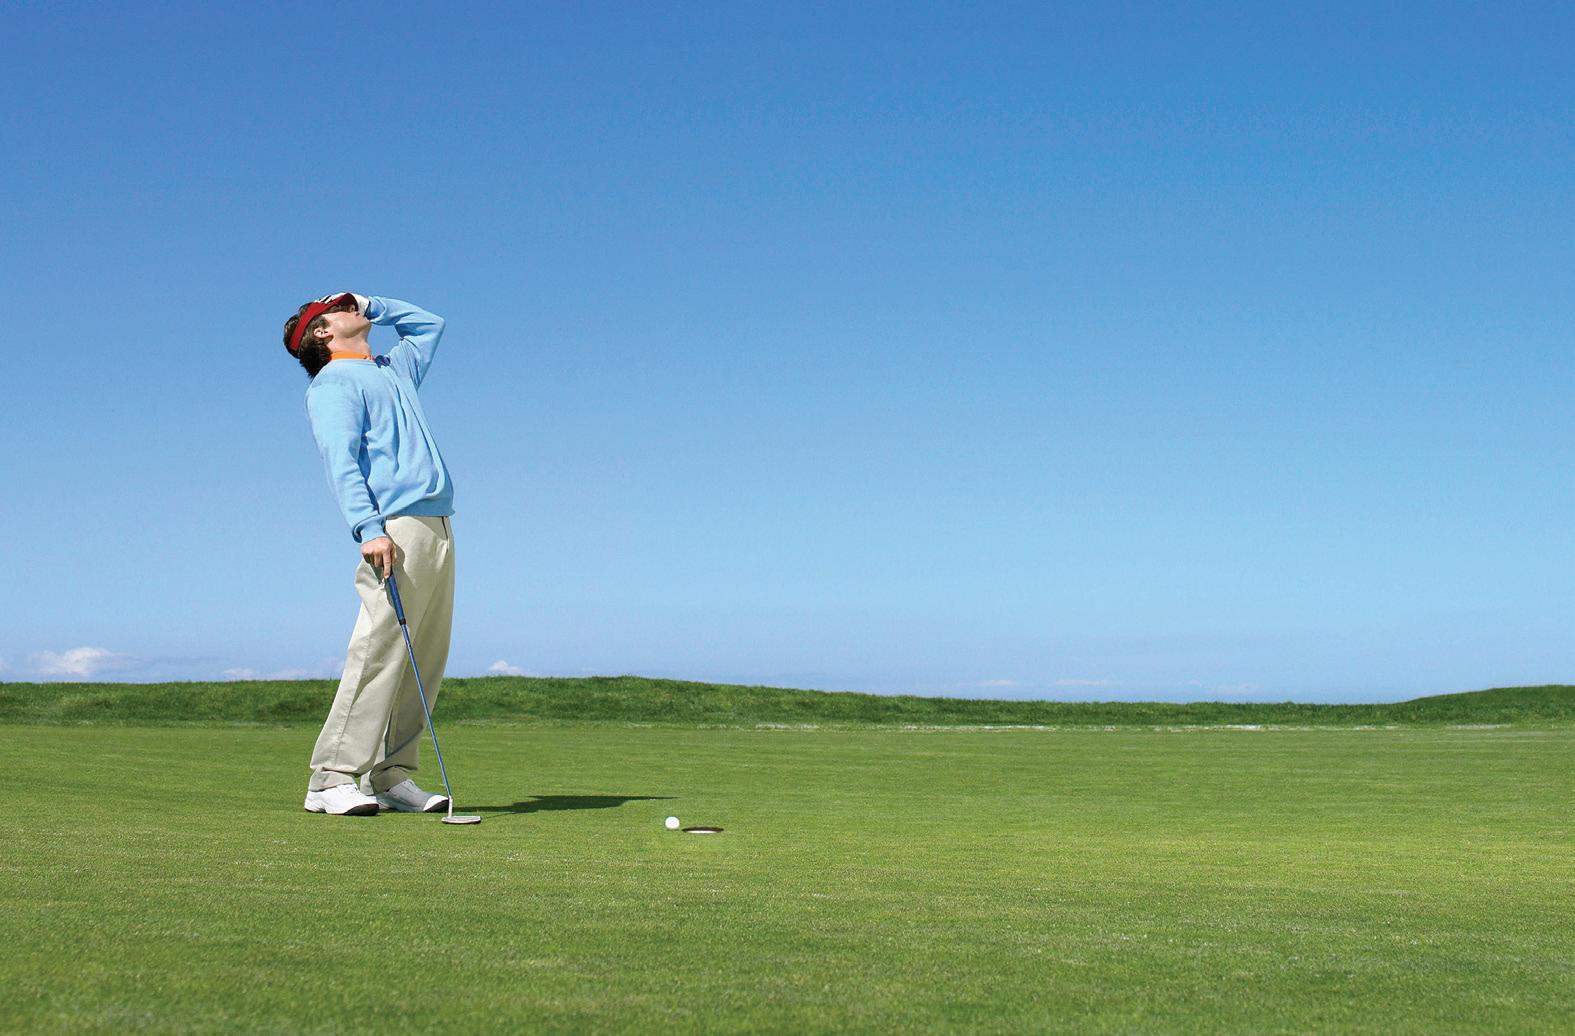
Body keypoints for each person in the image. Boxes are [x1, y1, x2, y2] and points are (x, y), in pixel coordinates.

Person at [281, 292, 458, 816]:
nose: (351, 306)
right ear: (321, 332)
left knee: (425, 657)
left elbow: (429, 325)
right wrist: (368, 528)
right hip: (393, 528)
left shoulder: (392, 369)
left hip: (437, 523)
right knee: (378, 649)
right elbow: (341, 462)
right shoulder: (332, 384)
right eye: (339, 307)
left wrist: (370, 303)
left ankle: (389, 775)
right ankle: (330, 777)